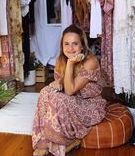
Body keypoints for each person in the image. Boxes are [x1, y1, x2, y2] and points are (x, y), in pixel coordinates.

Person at [32, 24, 106, 156]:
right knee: (45, 92)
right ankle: (44, 140)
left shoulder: (91, 61)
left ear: (82, 46)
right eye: (66, 44)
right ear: (62, 46)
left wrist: (71, 63)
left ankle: (66, 141)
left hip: (90, 105)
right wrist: (58, 82)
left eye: (75, 44)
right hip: (71, 100)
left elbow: (70, 90)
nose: (70, 48)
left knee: (57, 98)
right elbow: (64, 87)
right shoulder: (60, 60)